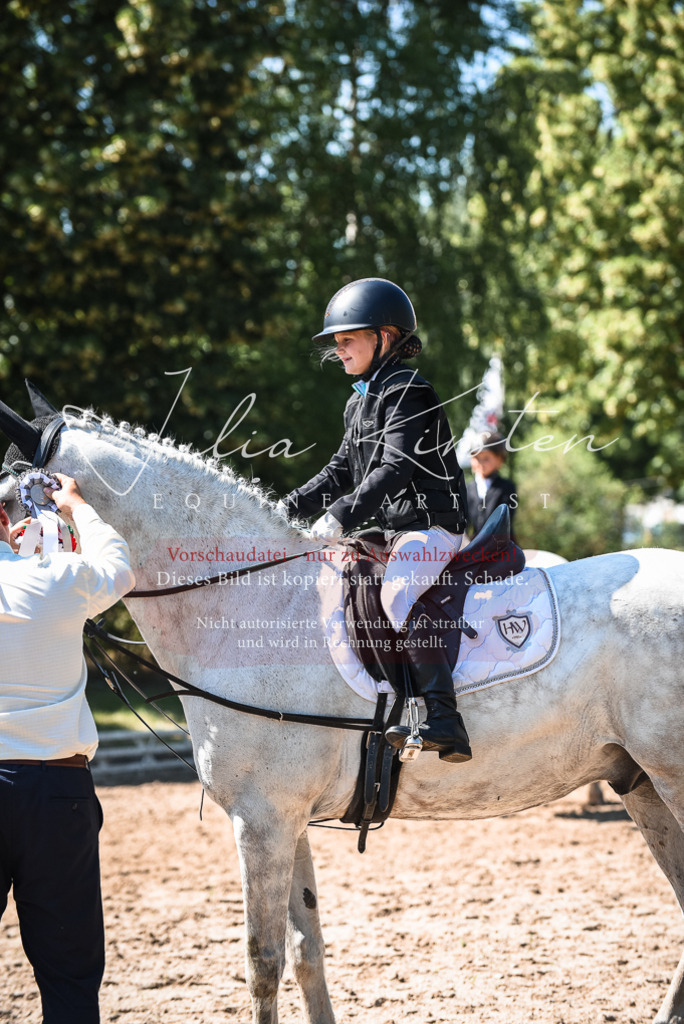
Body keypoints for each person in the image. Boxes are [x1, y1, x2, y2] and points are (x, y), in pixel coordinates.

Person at [282, 277, 472, 763]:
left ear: (384, 337)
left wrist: (337, 516)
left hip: (432, 526)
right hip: (387, 530)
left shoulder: (410, 389)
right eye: (337, 343)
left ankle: (444, 719)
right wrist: (283, 509)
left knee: (396, 591)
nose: (339, 350)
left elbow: (395, 467)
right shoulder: (358, 401)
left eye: (347, 340)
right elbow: (340, 470)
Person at [0, 473, 135, 1024]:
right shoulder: (61, 576)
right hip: (57, 791)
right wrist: (77, 507)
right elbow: (120, 567)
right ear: (10, 523)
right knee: (69, 975)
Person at [466, 431, 518, 541]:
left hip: (501, 545)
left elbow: (503, 521)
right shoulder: (467, 488)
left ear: (499, 459)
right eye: (477, 458)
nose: (481, 463)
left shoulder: (506, 487)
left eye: (486, 458)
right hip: (475, 545)